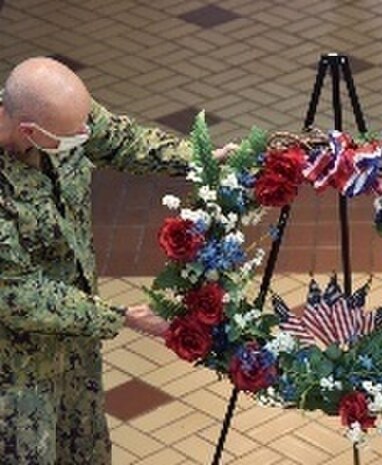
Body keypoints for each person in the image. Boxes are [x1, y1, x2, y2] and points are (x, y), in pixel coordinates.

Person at [0, 57, 228, 464]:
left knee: (86, 451)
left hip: (75, 347)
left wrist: (202, 158)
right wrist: (122, 317)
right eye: (71, 137)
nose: (83, 137)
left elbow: (120, 141)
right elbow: (20, 294)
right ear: (29, 132)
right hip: (15, 370)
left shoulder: (62, 118)